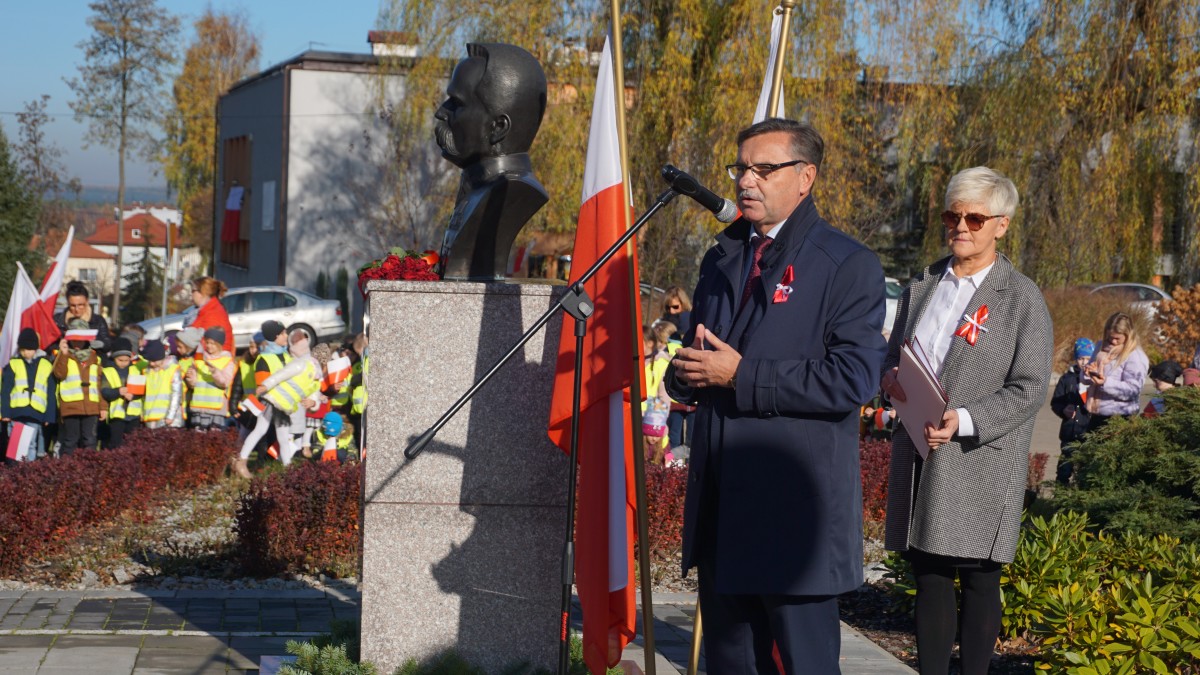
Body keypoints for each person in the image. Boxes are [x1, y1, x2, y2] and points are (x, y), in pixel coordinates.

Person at [664, 118, 887, 672]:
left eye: (765, 169)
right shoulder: (721, 257)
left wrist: (740, 376)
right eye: (741, 167)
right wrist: (684, 374)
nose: (746, 180)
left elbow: (853, 380)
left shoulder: (847, 264)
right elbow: (704, 356)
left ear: (805, 177)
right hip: (723, 510)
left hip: (794, 523)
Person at [880, 167, 1053, 675]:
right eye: (952, 215)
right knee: (929, 574)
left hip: (979, 455)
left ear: (1001, 225)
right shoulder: (925, 283)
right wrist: (889, 380)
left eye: (974, 217)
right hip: (921, 447)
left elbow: (1028, 387)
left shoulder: (1021, 297)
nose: (961, 226)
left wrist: (966, 418)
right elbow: (894, 356)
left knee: (979, 577)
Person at [435, 43, 550, 280]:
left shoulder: (512, 192)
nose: (441, 112)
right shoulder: (475, 187)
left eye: (456, 104)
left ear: (498, 128)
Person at [1082, 312, 1149, 432]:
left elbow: (1133, 390)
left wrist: (1105, 382)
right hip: (1096, 414)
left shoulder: (1136, 356)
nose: (1112, 341)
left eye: (1117, 338)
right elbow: (1085, 379)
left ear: (1128, 334)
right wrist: (1088, 372)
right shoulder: (1100, 346)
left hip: (1121, 417)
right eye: (1110, 337)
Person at [1, 328, 57, 462]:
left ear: (36, 349)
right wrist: (6, 413)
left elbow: (50, 392)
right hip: (17, 412)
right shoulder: (14, 364)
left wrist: (49, 416)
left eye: (30, 349)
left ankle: (29, 472)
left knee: (31, 444)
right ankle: (15, 472)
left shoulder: (46, 365)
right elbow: (6, 390)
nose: (27, 352)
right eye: (24, 349)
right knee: (15, 444)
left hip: (36, 413)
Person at [53, 319, 105, 456]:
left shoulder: (95, 359)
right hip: (71, 407)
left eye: (80, 340)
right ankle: (68, 471)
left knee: (90, 440)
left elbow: (100, 385)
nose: (76, 343)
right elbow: (59, 373)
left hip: (91, 407)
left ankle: (88, 471)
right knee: (70, 440)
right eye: (74, 340)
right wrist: (63, 353)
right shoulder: (64, 356)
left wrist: (103, 407)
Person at [1050, 338, 1096, 484]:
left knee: (1086, 473)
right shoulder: (1067, 379)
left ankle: (1080, 501)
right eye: (1081, 358)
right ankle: (1060, 502)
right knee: (1064, 471)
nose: (1084, 362)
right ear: (1076, 359)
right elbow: (1056, 402)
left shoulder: (1096, 379)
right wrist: (1064, 410)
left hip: (1088, 433)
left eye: (1088, 358)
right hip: (1069, 433)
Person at [184, 327, 236, 430]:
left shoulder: (226, 360)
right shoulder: (199, 359)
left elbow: (224, 383)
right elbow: (194, 384)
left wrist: (214, 371)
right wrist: (190, 378)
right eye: (207, 343)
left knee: (214, 439)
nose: (209, 346)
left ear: (219, 344)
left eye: (212, 343)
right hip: (199, 405)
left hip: (216, 407)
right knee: (198, 440)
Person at [99, 337, 142, 448]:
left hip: (133, 414)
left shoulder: (135, 370)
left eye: (126, 360)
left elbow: (141, 390)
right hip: (117, 416)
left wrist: (133, 395)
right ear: (114, 358)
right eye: (120, 360)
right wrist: (118, 392)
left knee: (133, 444)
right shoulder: (108, 371)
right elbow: (105, 392)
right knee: (116, 443)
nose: (123, 363)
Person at [54, 281, 111, 352]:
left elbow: (108, 344)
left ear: (87, 301)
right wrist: (59, 346)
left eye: (80, 305)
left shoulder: (98, 320)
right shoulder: (58, 321)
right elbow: (48, 345)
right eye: (73, 305)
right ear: (68, 303)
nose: (77, 309)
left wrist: (100, 343)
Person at [140, 340, 184, 430]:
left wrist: (171, 415)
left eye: (154, 361)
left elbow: (176, 394)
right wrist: (143, 413)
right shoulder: (146, 371)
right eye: (150, 361)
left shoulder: (173, 369)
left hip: (169, 420)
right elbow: (144, 395)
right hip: (151, 418)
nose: (152, 363)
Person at [187, 276, 235, 353]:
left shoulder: (214, 314)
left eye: (193, 291)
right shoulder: (207, 310)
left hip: (215, 360)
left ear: (203, 292)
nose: (191, 294)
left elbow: (203, 343)